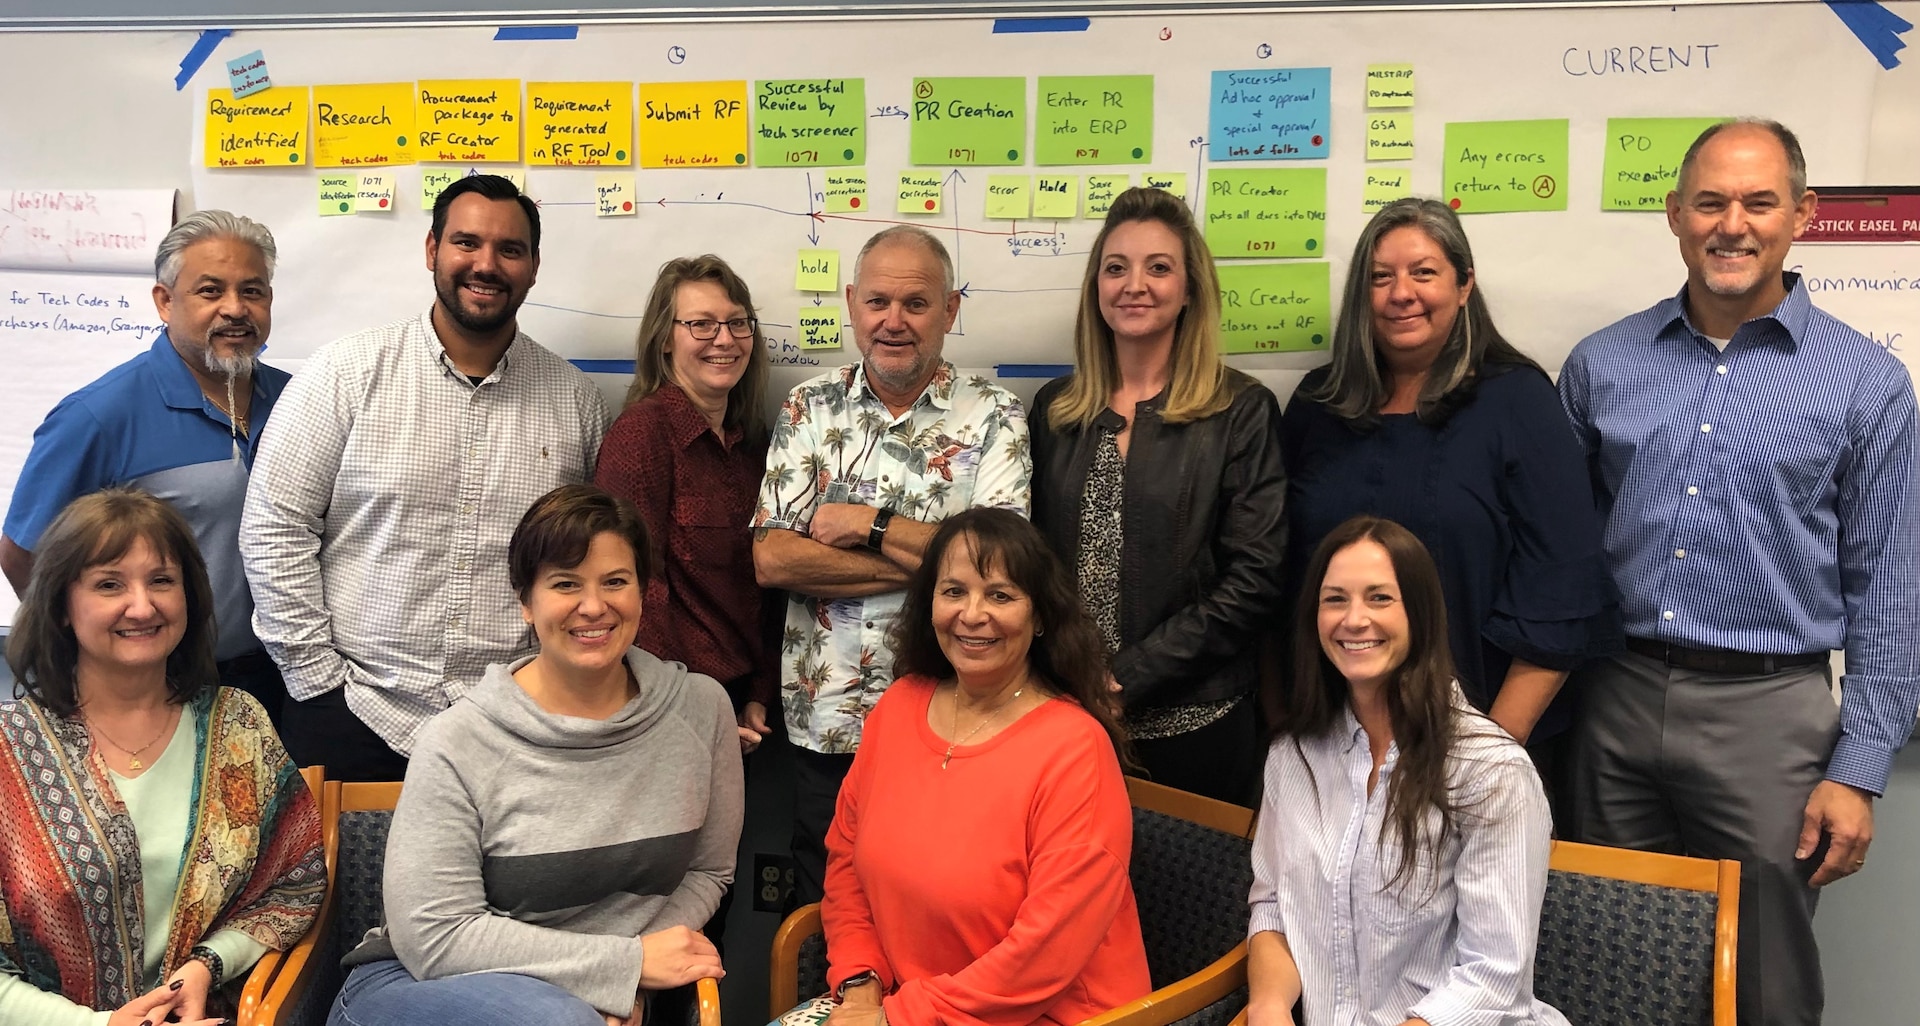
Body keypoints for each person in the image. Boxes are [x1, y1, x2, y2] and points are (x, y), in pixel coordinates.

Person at [1558, 118, 1919, 1026]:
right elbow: (1559, 559)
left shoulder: (1865, 385)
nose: (1734, 223)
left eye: (1760, 202)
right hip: (1616, 699)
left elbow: (1894, 589)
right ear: (1675, 215)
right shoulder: (1603, 365)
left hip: (1773, 717)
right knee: (1608, 964)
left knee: (1766, 985)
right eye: (1710, 201)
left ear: (1801, 215)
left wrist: (1861, 767)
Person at [240, 173, 609, 783]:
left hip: (514, 723)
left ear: (534, 266)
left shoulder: (575, 402)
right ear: (432, 250)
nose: (485, 264)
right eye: (466, 242)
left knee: (493, 885)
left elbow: (590, 562)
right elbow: (274, 529)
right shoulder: (343, 375)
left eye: (509, 249)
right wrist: (316, 682)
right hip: (353, 712)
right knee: (344, 883)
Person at [327, 485, 741, 1026]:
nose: (594, 606)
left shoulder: (702, 710)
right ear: (526, 601)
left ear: (644, 593)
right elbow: (435, 937)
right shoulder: (457, 741)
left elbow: (708, 870)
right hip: (417, 986)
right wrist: (619, 968)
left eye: (616, 581)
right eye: (565, 584)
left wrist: (621, 983)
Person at [1282, 197, 1615, 768]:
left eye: (1424, 272)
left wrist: (1488, 755)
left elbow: (1561, 593)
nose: (1400, 293)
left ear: (1464, 285)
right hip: (1330, 740)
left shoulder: (1518, 401)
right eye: (1380, 277)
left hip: (1480, 737)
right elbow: (1282, 580)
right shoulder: (1318, 404)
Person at [752, 225, 1030, 906]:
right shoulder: (808, 406)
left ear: (951, 311)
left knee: (943, 907)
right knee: (824, 913)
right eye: (878, 302)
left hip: (957, 719)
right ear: (852, 304)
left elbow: (1002, 568)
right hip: (829, 717)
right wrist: (937, 557)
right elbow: (771, 557)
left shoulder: (995, 415)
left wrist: (864, 524)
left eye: (916, 304)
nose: (894, 322)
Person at [0, 488, 325, 1026]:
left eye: (161, 581)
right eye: (109, 584)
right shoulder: (10, 750)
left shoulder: (237, 725)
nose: (142, 606)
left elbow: (295, 882)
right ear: (61, 606)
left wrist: (204, 968)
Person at [815, 507, 1149, 1026]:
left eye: (1000, 594)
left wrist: (896, 1019)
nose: (972, 614)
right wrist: (860, 985)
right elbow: (846, 868)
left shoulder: (1076, 749)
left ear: (1039, 616)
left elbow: (1041, 958)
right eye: (953, 591)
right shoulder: (900, 706)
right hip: (899, 1005)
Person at [1247, 515, 1567, 1026]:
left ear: (1420, 614)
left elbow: (1495, 976)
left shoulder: (1490, 769)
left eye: (1379, 598)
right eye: (1335, 599)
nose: (1354, 619)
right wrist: (1267, 1007)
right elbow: (1273, 908)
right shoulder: (1294, 755)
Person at [1030, 186, 1286, 807]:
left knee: (1191, 903)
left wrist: (1124, 679)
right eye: (1116, 268)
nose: (1134, 284)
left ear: (1190, 287)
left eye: (1158, 267)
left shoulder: (1240, 411)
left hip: (1197, 725)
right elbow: (1031, 564)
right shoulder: (1056, 412)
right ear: (1097, 287)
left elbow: (1256, 577)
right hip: (1065, 720)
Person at [2, 210, 293, 725]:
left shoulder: (298, 401)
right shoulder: (98, 415)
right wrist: (100, 647)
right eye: (209, 291)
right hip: (159, 687)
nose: (235, 309)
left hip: (285, 683)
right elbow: (24, 552)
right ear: (164, 302)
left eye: (253, 291)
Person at [594, 255, 777, 755]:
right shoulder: (642, 436)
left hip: (745, 707)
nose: (724, 339)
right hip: (672, 708)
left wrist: (760, 692)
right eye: (701, 324)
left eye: (737, 322)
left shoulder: (751, 447)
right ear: (664, 338)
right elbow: (631, 587)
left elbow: (763, 589)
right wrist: (690, 706)